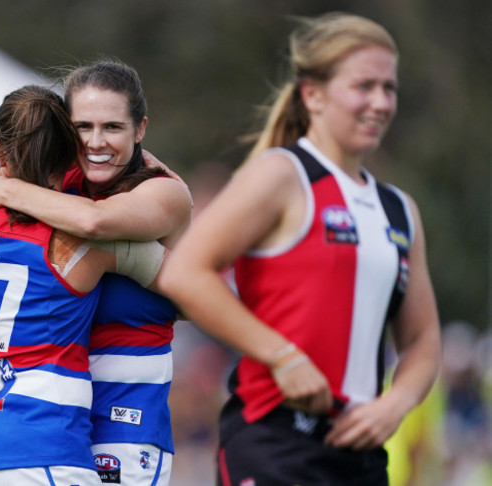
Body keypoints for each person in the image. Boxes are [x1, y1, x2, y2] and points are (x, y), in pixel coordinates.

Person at [158, 12, 441, 486]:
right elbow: (185, 273)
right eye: (363, 86)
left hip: (362, 455)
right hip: (275, 441)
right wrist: (281, 356)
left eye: (388, 88)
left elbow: (423, 340)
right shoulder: (281, 175)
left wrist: (395, 404)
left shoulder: (400, 210)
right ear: (313, 94)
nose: (380, 102)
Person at [0, 60, 193, 485]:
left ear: (140, 128)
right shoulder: (57, 184)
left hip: (123, 418)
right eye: (82, 127)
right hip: (49, 418)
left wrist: (9, 187)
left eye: (113, 127)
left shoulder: (162, 191)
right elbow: (13, 319)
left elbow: (95, 222)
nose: (96, 142)